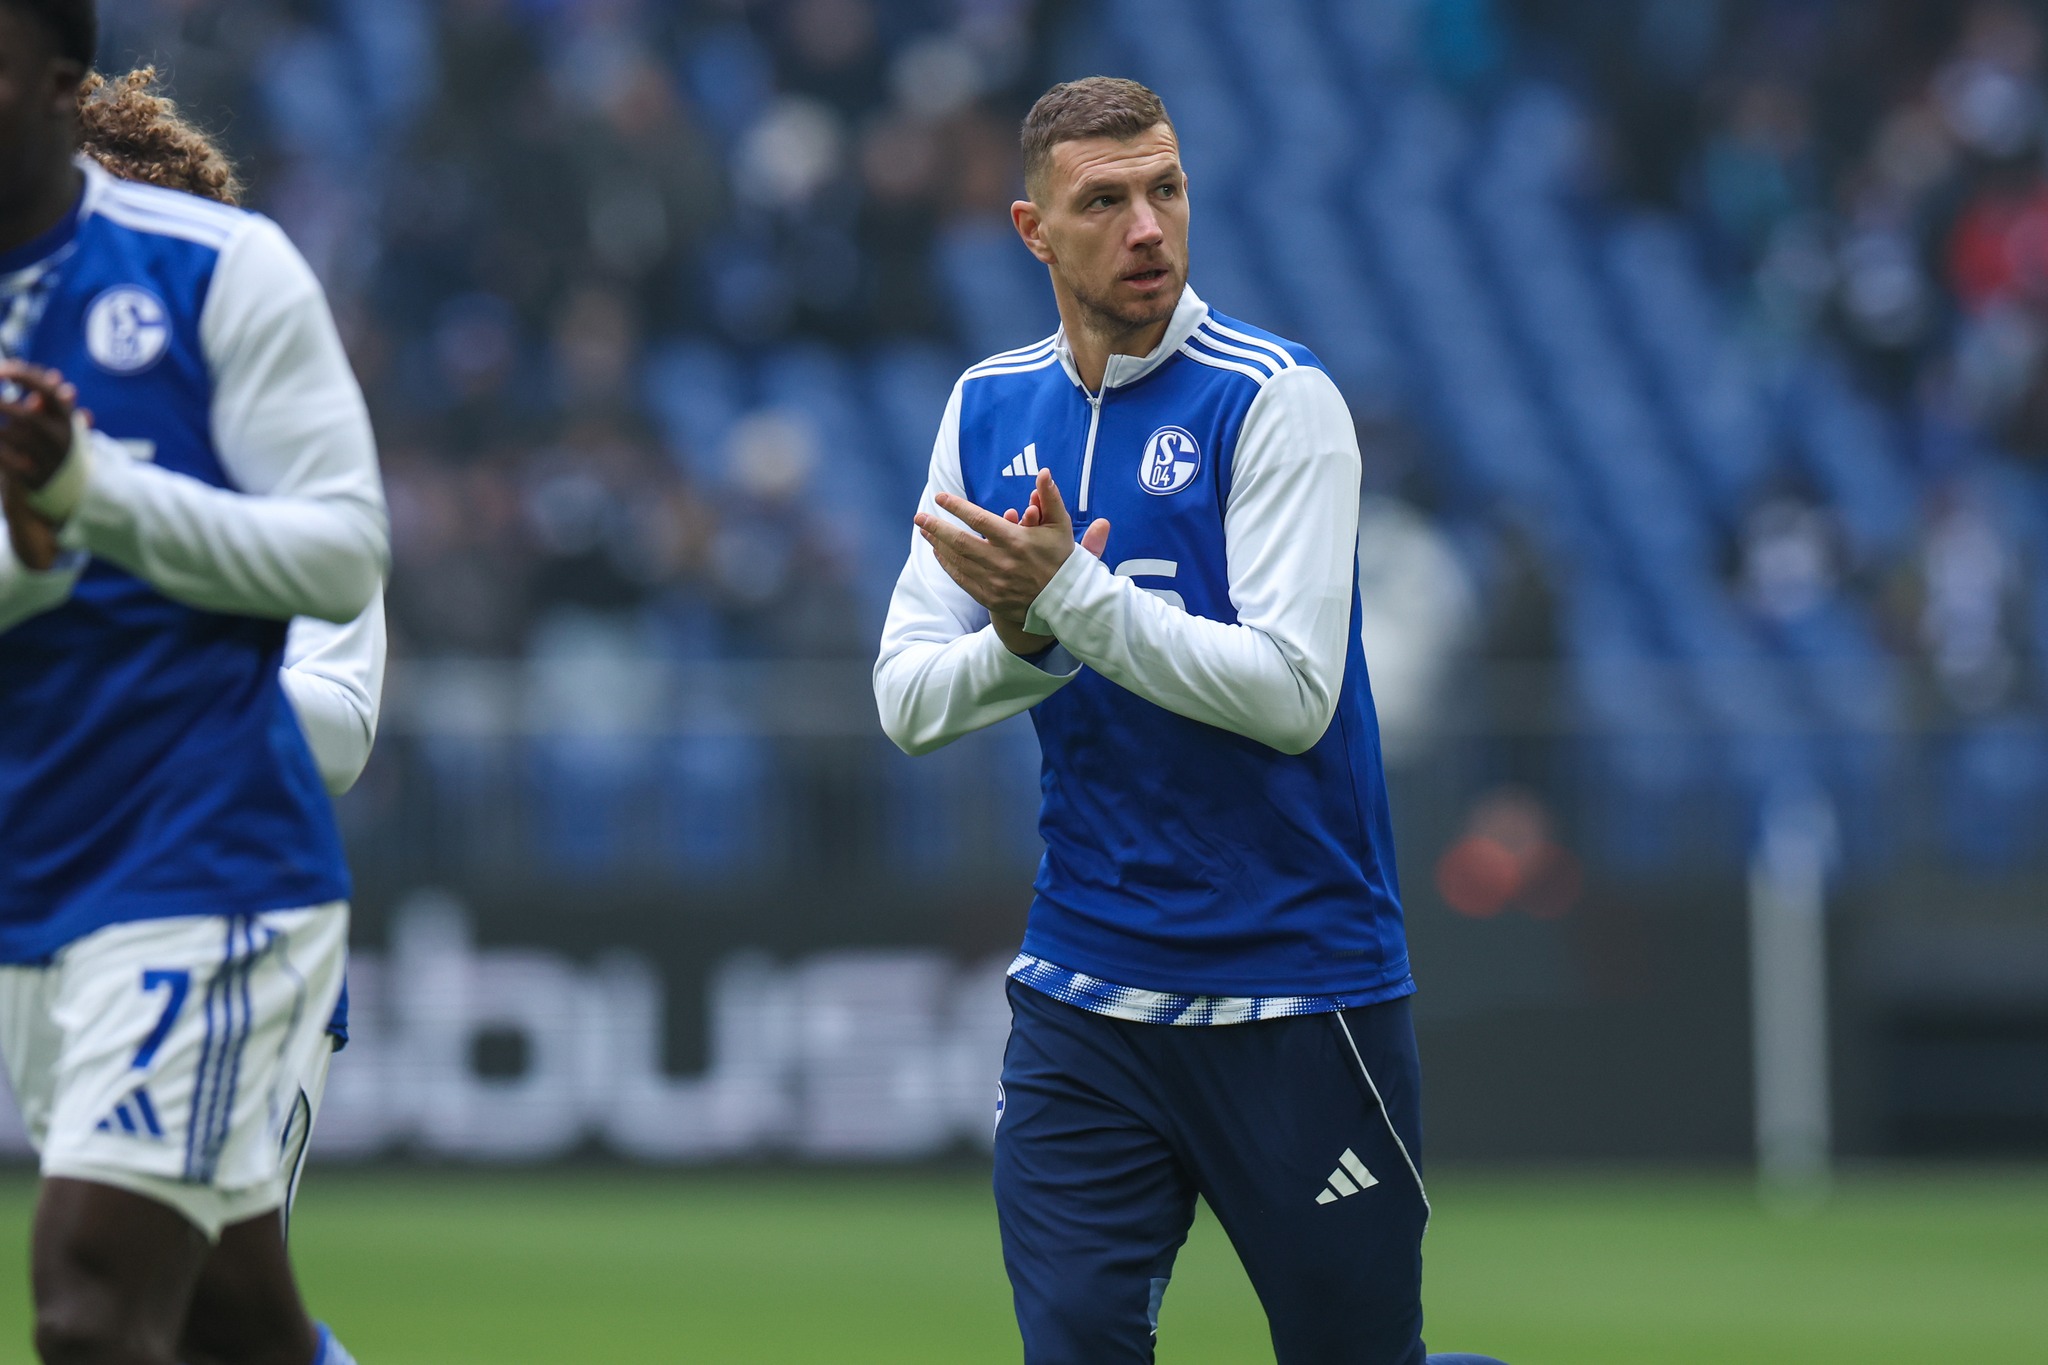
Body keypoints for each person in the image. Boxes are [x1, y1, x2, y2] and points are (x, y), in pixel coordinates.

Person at [874, 77, 1509, 1365]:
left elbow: (1291, 695)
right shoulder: (987, 408)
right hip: (1085, 991)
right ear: (1032, 230)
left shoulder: (1278, 403)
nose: (1147, 226)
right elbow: (905, 699)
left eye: (1164, 189)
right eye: (1102, 201)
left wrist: (1074, 601)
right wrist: (1032, 641)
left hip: (1297, 987)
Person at [0, 5, 382, 1363]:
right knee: (234, 1323)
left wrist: (107, 531)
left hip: (206, 871)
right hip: (43, 883)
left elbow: (335, 701)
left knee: (92, 1308)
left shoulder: (236, 313)